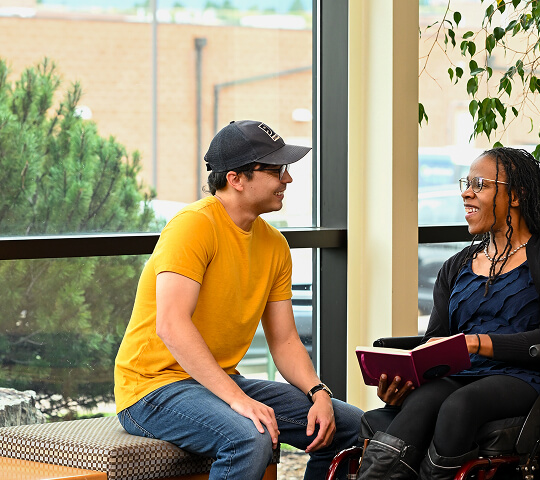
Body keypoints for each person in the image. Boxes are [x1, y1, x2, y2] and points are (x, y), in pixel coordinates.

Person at [114, 120, 363, 480]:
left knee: (349, 424)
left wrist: (318, 392)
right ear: (236, 178)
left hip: (214, 381)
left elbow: (285, 339)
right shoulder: (193, 226)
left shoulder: (274, 244)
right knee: (250, 437)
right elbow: (171, 325)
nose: (287, 180)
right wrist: (238, 399)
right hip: (152, 388)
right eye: (277, 170)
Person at [356, 147, 540, 480]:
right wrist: (403, 380)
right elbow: (436, 341)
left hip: (527, 377)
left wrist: (476, 343)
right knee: (422, 401)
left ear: (517, 195)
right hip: (462, 375)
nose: (466, 191)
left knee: (458, 405)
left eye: (479, 184)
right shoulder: (456, 267)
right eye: (467, 182)